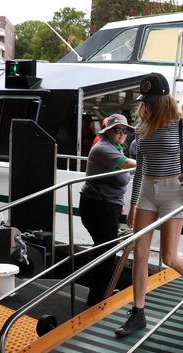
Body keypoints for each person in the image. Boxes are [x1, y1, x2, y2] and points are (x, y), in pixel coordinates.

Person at [115, 73, 183, 337]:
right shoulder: (143, 126)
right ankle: (138, 313)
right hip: (147, 190)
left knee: (168, 256)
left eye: (153, 100)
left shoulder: (181, 125)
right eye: (146, 100)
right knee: (140, 254)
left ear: (165, 99)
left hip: (173, 192)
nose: (149, 105)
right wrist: (133, 204)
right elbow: (142, 167)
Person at [79, 114, 136, 305]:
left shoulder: (115, 148)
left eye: (124, 130)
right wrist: (153, 163)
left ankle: (100, 293)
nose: (121, 133)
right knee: (106, 250)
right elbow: (130, 165)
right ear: (108, 131)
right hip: (98, 206)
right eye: (117, 130)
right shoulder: (104, 149)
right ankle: (97, 297)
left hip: (106, 205)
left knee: (105, 249)